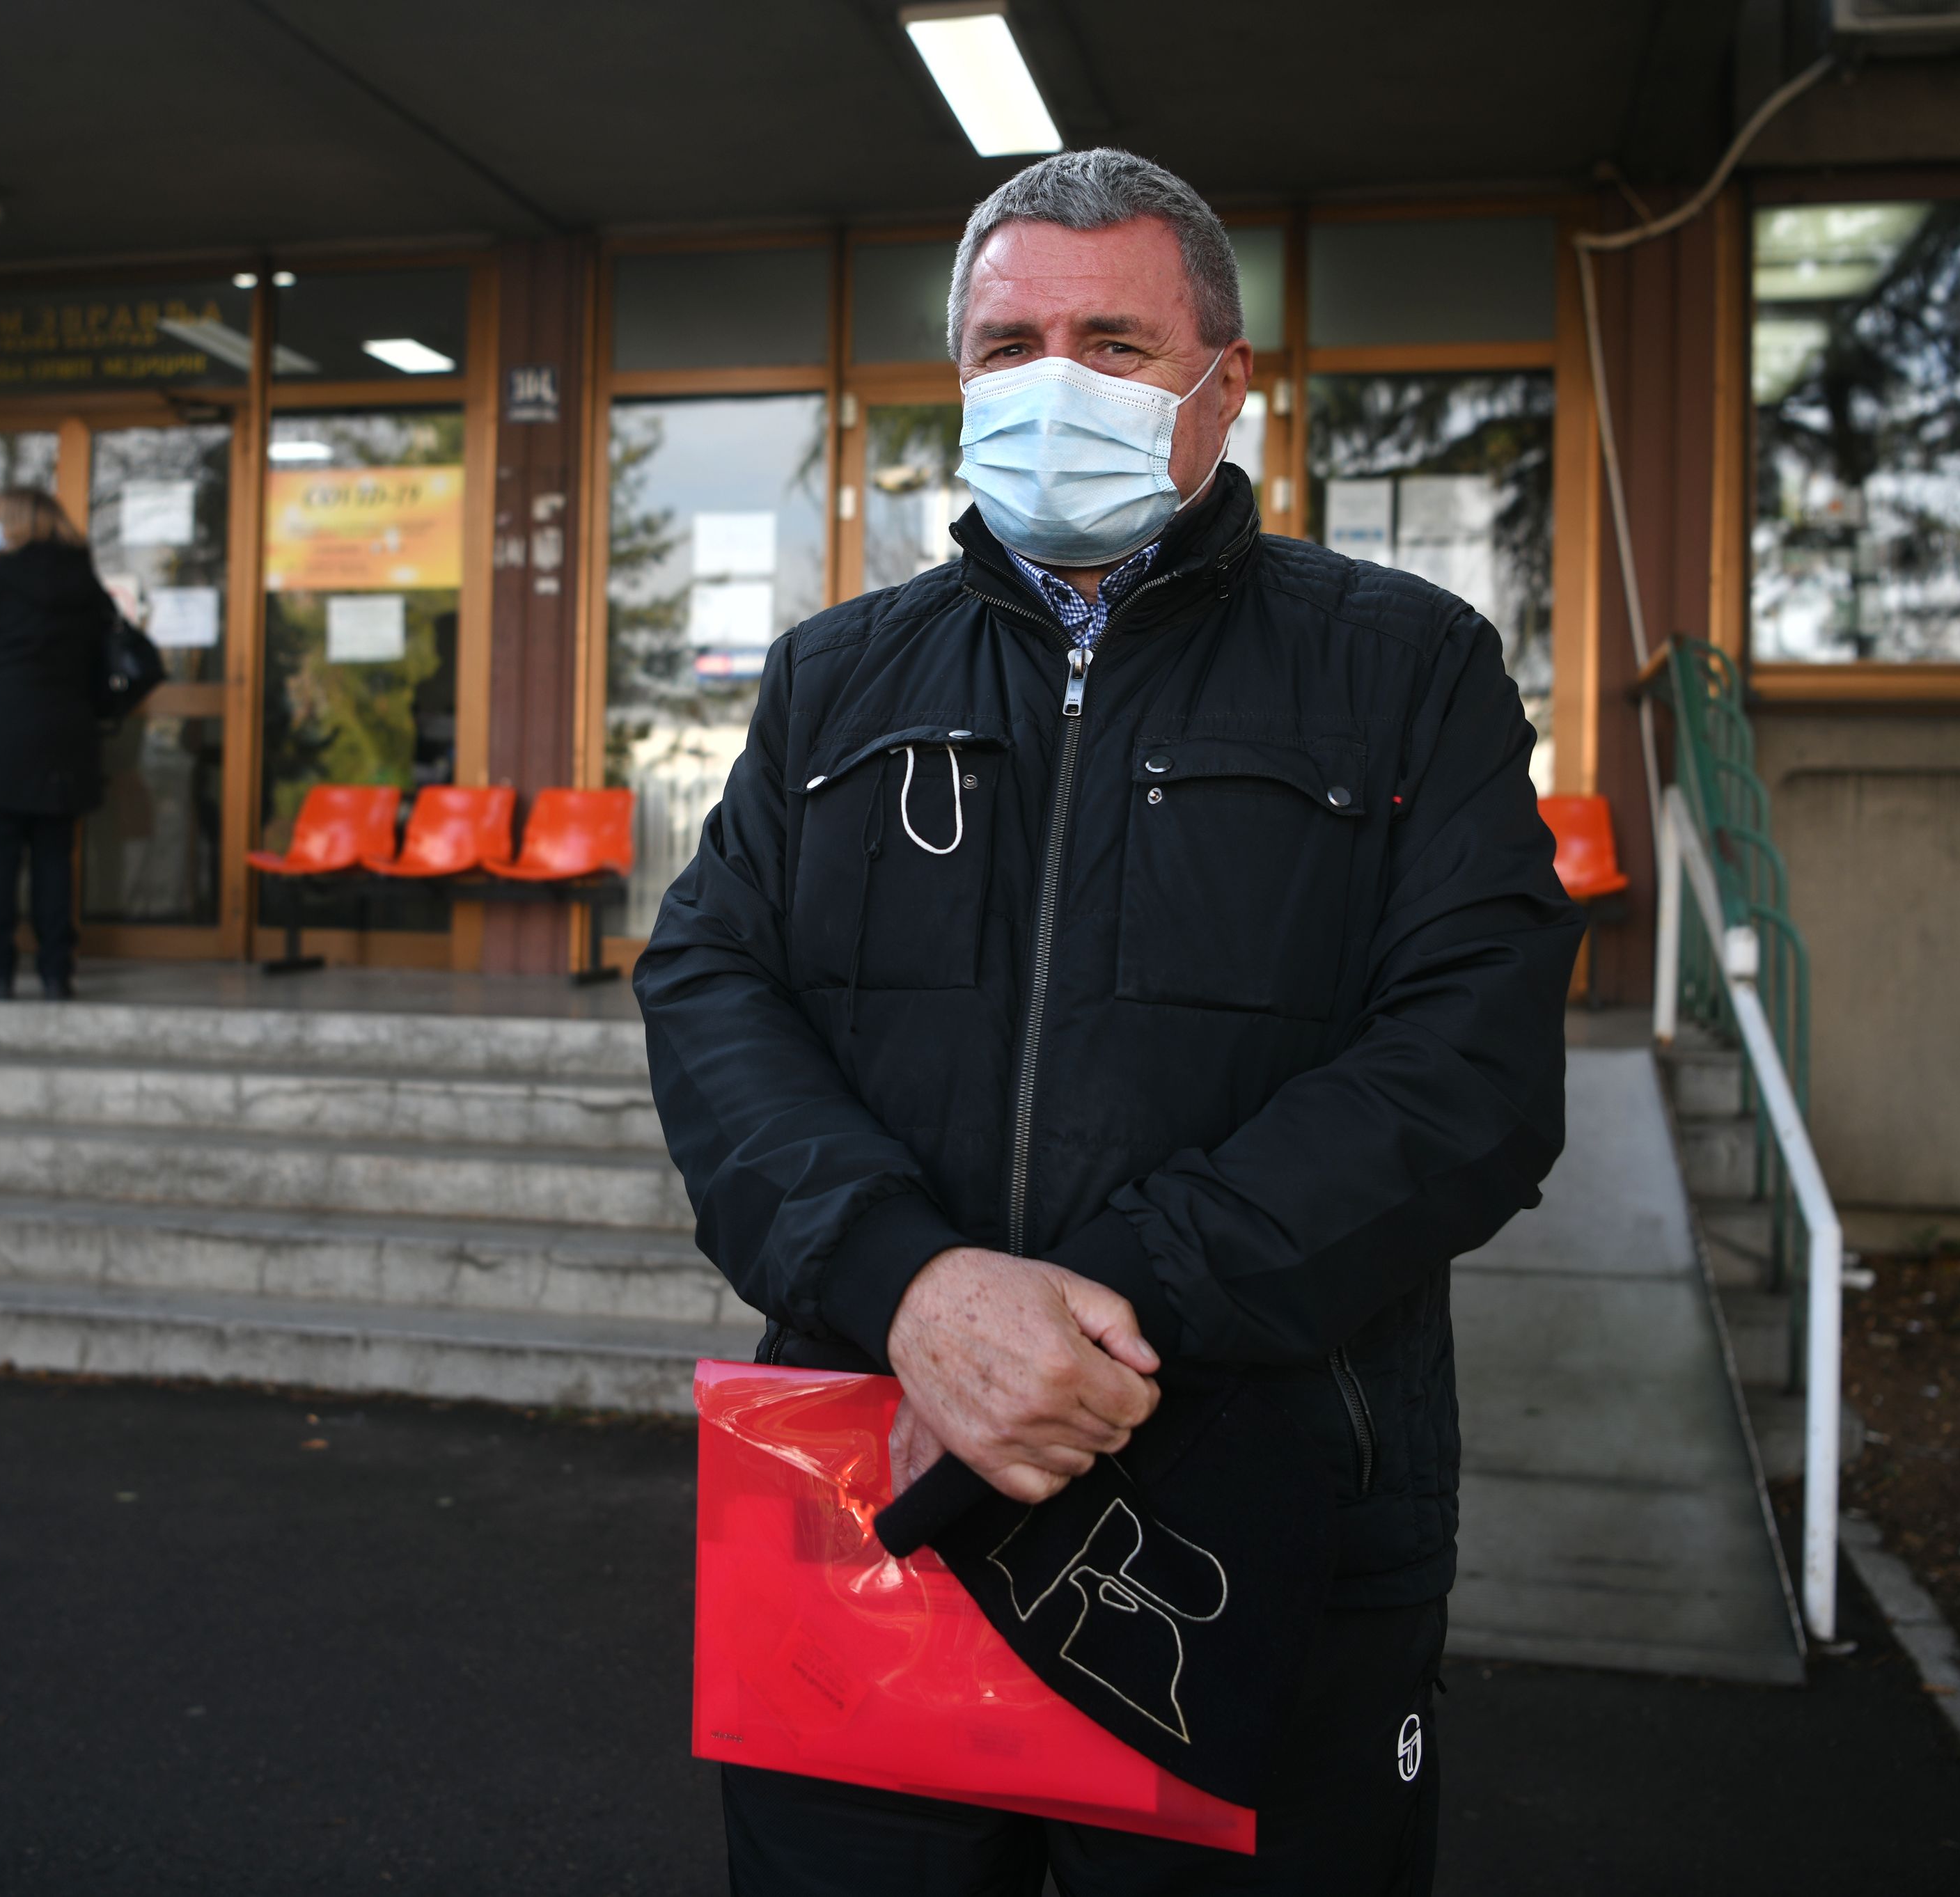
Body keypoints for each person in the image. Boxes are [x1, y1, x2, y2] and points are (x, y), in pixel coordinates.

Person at [634, 150, 1581, 1896]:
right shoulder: (833, 676)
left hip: (1253, 1504)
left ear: (1225, 384)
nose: (1049, 383)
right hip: (872, 1479)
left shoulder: (1403, 666)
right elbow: (709, 990)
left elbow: (1473, 1062)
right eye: (1007, 347)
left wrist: (1100, 1314)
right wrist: (913, 1287)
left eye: (1112, 343)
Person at [0, 486, 106, 1000]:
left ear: (17, 523)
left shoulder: (0, 576)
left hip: (5, 732)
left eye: (1, 521)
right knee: (54, 860)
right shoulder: (83, 578)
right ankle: (56, 972)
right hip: (65, 733)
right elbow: (103, 653)